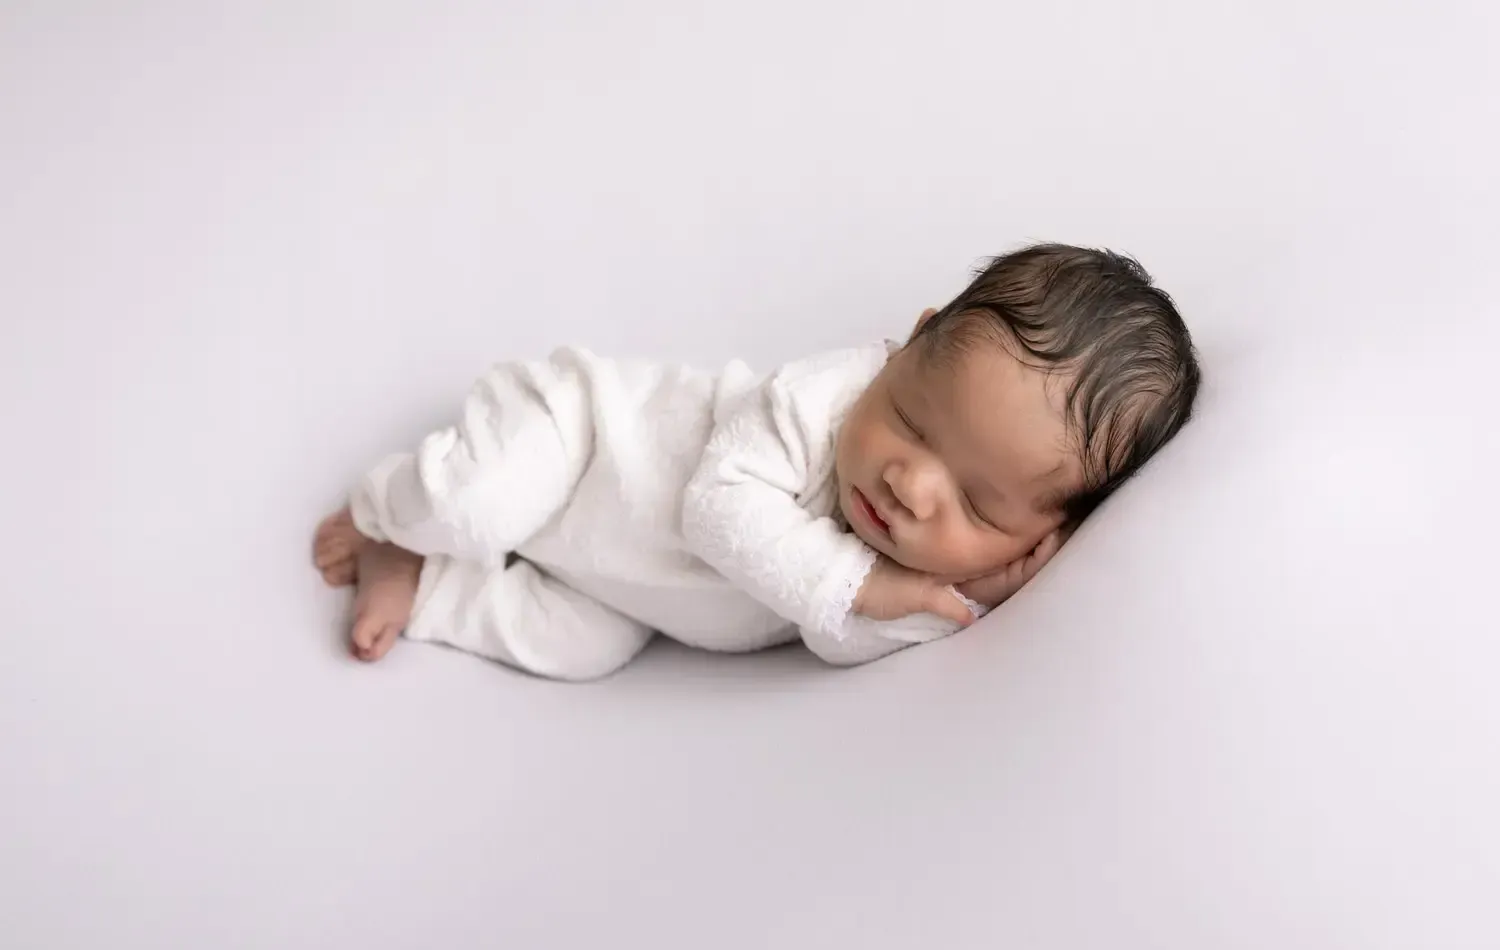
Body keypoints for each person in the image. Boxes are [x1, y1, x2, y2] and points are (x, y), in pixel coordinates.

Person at [312, 244, 1200, 679]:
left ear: (1040, 539)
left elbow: (836, 642)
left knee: (581, 650)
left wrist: (970, 597)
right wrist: (870, 586)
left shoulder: (930, 578)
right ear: (906, 349)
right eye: (915, 422)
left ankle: (427, 585)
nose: (911, 482)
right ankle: (386, 510)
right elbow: (718, 509)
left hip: (617, 586)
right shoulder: (823, 398)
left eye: (978, 503)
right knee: (478, 501)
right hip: (577, 438)